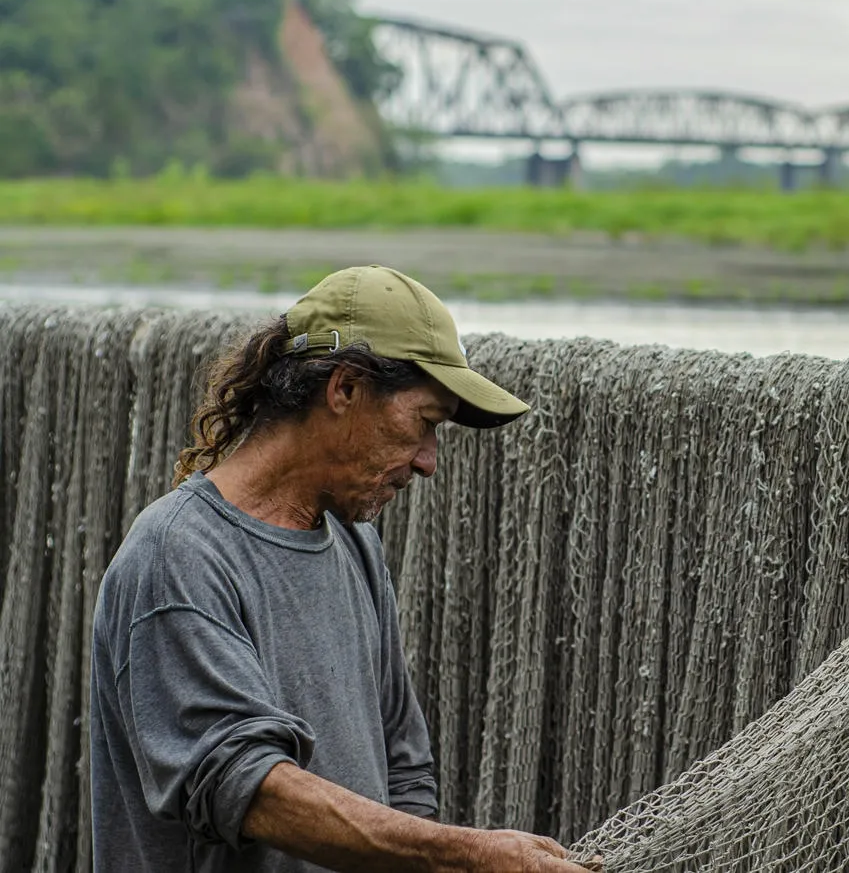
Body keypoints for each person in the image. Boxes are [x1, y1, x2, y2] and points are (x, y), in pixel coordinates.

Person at [90, 266, 595, 873]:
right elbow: (247, 788)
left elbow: (403, 767)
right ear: (345, 389)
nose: (429, 462)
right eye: (425, 423)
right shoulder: (179, 558)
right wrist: (463, 855)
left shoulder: (355, 544)